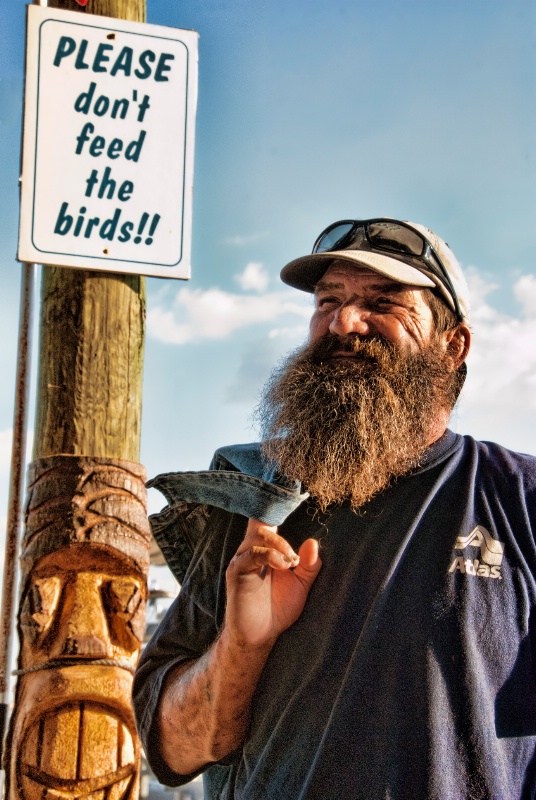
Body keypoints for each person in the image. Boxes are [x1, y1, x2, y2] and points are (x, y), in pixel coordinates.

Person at [133, 218, 536, 799]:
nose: (345, 322)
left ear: (454, 346)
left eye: (383, 303)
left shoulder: (518, 499)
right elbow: (173, 749)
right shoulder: (253, 499)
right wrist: (243, 647)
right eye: (329, 301)